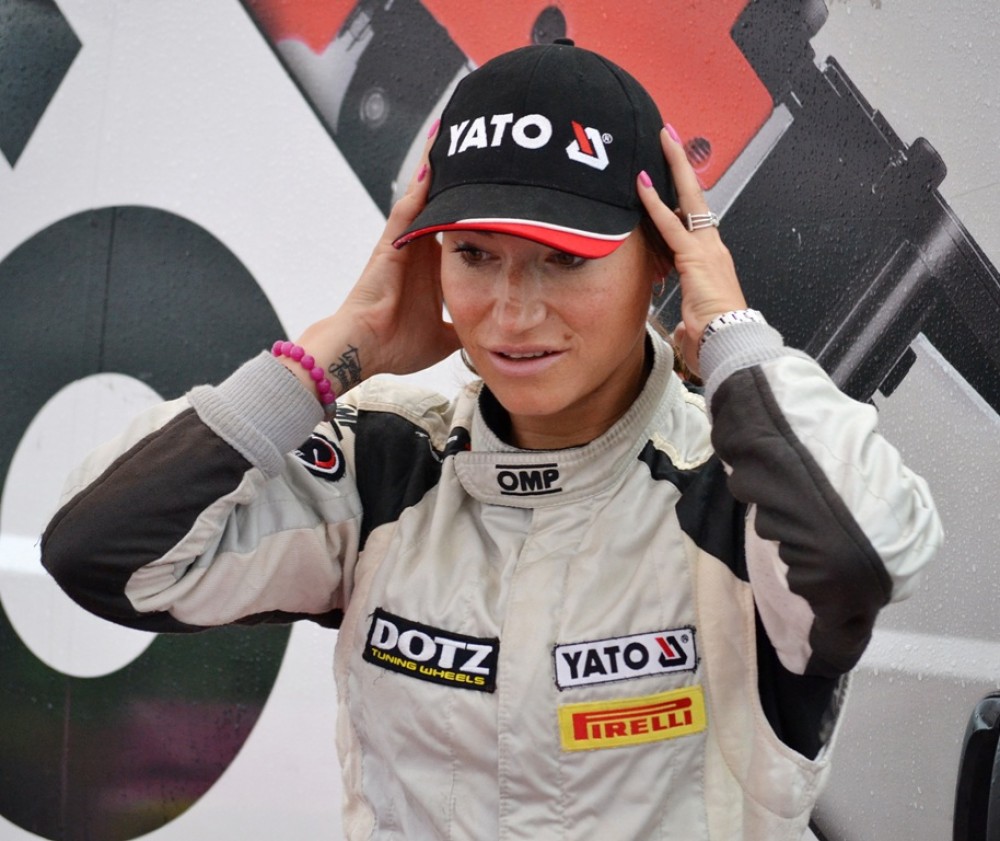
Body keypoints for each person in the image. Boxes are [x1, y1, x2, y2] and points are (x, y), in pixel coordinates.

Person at [41, 41, 941, 840]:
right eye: (474, 253)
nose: (512, 311)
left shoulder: (736, 492)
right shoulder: (387, 466)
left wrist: (733, 336)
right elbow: (104, 552)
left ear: (664, 258)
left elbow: (860, 555)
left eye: (565, 258)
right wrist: (331, 354)